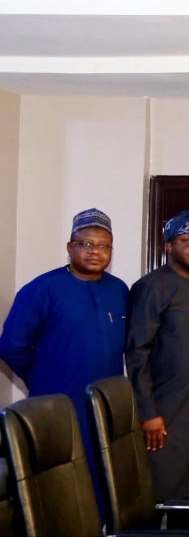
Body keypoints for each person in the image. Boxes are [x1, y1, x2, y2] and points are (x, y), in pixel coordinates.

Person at [0, 209, 128, 504]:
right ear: (70, 247)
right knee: (62, 489)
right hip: (58, 405)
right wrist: (43, 378)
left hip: (104, 405)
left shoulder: (119, 289)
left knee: (103, 480)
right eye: (86, 244)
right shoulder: (42, 289)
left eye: (103, 245)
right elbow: (10, 346)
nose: (95, 251)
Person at [126, 210, 189, 512]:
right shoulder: (151, 287)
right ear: (169, 246)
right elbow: (137, 352)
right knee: (160, 492)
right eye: (187, 240)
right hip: (166, 412)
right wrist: (148, 412)